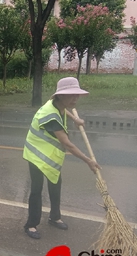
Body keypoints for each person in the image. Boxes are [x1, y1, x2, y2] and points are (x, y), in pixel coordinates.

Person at [23, 77, 101, 239]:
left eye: (76, 95)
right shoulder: (50, 116)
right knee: (37, 189)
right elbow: (68, 144)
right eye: (71, 95)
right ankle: (31, 225)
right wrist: (89, 161)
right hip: (36, 154)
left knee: (55, 184)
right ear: (60, 96)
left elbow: (64, 111)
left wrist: (75, 119)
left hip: (50, 156)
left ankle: (54, 217)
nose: (75, 98)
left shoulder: (58, 105)